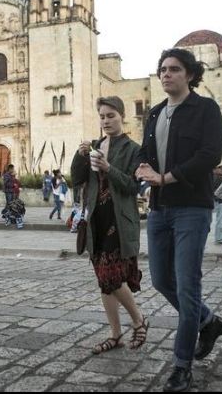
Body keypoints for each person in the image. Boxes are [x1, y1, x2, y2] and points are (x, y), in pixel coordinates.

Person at [135, 48, 222, 392]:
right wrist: (143, 169)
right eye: (162, 70)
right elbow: (146, 153)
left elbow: (209, 155)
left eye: (173, 69)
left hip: (192, 207)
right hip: (159, 209)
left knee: (188, 286)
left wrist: (167, 177)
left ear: (189, 74)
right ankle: (208, 320)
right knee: (161, 279)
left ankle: (181, 365)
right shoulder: (156, 113)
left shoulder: (206, 109)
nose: (166, 75)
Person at [72, 96, 149, 355]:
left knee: (112, 276)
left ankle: (139, 320)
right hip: (97, 219)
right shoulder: (96, 145)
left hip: (118, 219)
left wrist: (108, 167)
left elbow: (131, 185)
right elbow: (77, 178)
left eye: (111, 116)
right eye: (102, 116)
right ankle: (115, 334)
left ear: (122, 116)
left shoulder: (132, 149)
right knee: (103, 280)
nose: (106, 121)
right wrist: (80, 154)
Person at [211, 165, 222, 245]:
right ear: (218, 169)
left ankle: (219, 238)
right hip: (221, 201)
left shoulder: (216, 178)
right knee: (221, 220)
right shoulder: (218, 178)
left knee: (220, 220)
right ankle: (219, 238)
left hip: (220, 201)